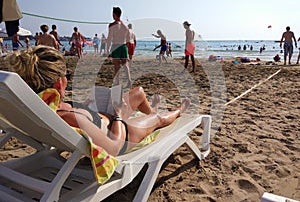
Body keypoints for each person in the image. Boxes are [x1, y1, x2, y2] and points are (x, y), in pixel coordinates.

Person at [8, 45, 190, 156]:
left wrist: (86, 108)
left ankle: (151, 110)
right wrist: (118, 116)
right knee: (158, 120)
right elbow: (113, 148)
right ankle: (178, 110)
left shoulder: (44, 107)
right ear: (58, 82)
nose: (68, 79)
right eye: (67, 75)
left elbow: (82, 123)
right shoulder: (68, 117)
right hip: (122, 132)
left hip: (103, 118)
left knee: (138, 92)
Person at [106, 7, 132, 87]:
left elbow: (109, 38)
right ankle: (129, 81)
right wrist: (126, 47)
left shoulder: (111, 25)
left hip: (116, 46)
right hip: (123, 46)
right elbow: (128, 39)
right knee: (125, 65)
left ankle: (117, 82)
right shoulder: (125, 26)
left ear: (114, 14)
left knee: (116, 66)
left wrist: (107, 50)